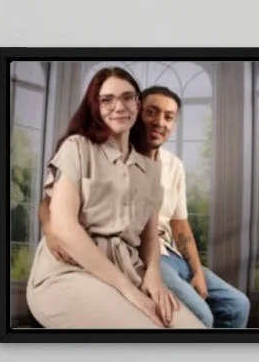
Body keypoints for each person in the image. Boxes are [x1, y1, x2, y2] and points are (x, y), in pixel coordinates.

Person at [25, 68, 205, 331]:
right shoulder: (77, 147)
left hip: (131, 270)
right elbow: (63, 226)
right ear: (95, 106)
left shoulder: (152, 169)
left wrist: (154, 275)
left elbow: (150, 237)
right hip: (72, 270)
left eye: (127, 98)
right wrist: (128, 291)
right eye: (107, 100)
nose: (119, 107)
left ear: (137, 104)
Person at [138, 86, 252, 328]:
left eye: (169, 117)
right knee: (202, 316)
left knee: (238, 305)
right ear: (137, 112)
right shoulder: (122, 158)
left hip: (173, 255)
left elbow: (180, 225)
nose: (160, 122)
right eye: (151, 112)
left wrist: (198, 272)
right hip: (146, 255)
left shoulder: (174, 165)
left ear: (174, 123)